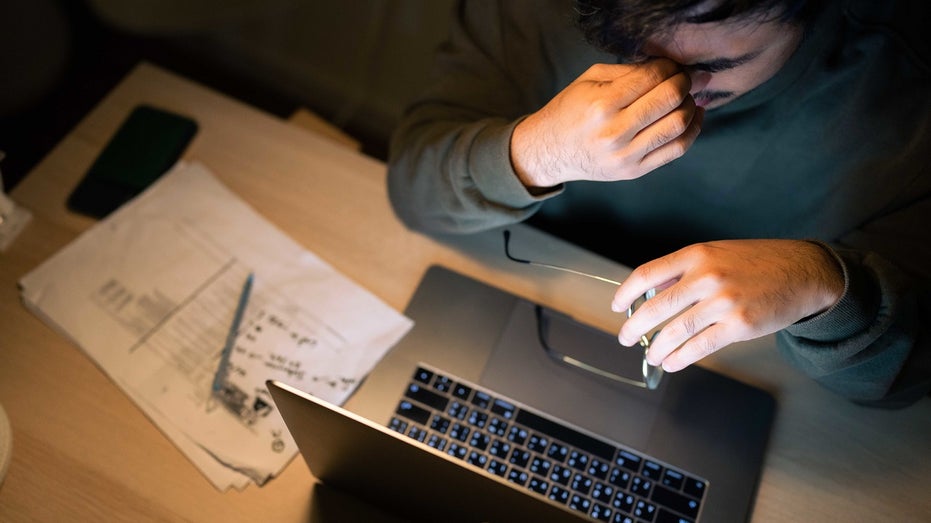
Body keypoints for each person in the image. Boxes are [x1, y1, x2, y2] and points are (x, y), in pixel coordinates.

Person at [386, 0, 931, 408]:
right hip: (519, 312)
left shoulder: (903, 104)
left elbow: (910, 375)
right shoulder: (537, 12)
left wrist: (823, 285)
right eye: (633, 47)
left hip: (756, 388)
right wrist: (537, 153)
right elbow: (413, 192)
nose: (667, 86)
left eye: (717, 63)